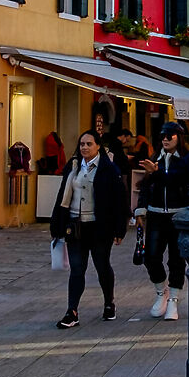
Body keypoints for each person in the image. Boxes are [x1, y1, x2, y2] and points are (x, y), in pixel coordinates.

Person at [50, 130, 129, 328]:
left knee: (102, 266)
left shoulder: (108, 169)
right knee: (77, 269)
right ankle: (72, 311)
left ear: (98, 146)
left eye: (89, 144)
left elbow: (119, 200)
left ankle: (109, 302)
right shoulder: (73, 166)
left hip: (99, 227)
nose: (84, 147)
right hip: (75, 225)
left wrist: (120, 230)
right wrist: (57, 225)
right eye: (82, 144)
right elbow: (62, 197)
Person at [136, 124, 189, 320]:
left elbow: (181, 182)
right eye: (162, 136)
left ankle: (173, 300)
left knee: (177, 259)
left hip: (178, 215)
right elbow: (145, 186)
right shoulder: (154, 159)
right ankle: (161, 291)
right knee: (151, 256)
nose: (165, 139)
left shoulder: (185, 160)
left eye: (170, 136)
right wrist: (140, 210)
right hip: (156, 214)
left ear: (179, 138)